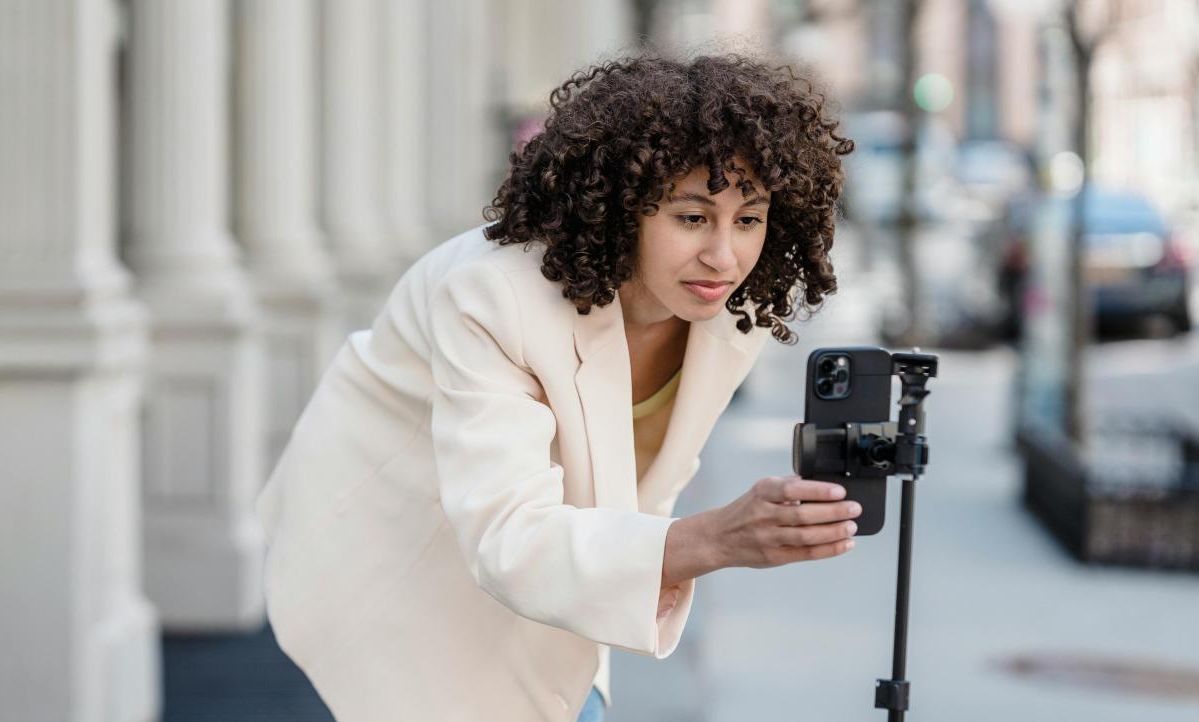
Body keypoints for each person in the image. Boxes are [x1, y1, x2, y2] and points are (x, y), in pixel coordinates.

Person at [256, 52, 857, 722]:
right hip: (396, 563)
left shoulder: (724, 313)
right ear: (623, 208)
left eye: (749, 219)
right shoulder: (492, 294)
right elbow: (508, 536)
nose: (724, 256)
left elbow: (614, 504)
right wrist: (713, 539)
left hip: (556, 584)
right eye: (692, 218)